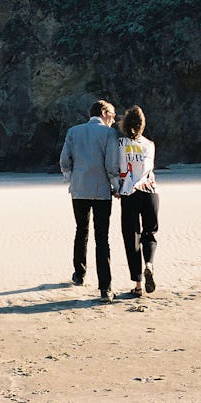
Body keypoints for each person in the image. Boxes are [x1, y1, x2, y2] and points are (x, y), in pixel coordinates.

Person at [59, 99, 120, 303]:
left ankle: (79, 274)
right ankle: (105, 287)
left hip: (78, 189)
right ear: (103, 112)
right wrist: (116, 185)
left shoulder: (73, 131)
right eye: (112, 113)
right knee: (101, 238)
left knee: (81, 230)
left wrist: (71, 177)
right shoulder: (109, 134)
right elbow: (112, 164)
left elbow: (64, 160)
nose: (114, 117)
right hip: (101, 190)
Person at [117, 105, 159, 298]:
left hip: (129, 193)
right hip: (150, 192)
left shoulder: (120, 144)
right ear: (143, 125)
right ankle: (149, 264)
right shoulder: (150, 144)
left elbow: (118, 168)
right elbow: (147, 168)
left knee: (131, 237)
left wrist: (116, 187)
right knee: (149, 233)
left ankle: (138, 284)